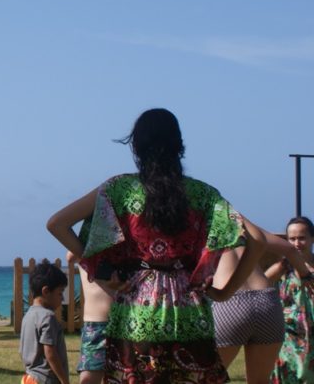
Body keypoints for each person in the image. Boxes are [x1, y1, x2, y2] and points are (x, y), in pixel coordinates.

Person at [47, 107, 265, 384]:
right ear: (178, 145)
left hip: (136, 308)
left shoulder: (119, 189)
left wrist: (99, 268)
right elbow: (257, 240)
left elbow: (57, 224)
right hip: (189, 309)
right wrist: (224, 293)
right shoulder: (203, 194)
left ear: (137, 146)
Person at [211, 219, 298, 383]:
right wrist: (305, 274)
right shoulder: (240, 224)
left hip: (229, 302)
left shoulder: (197, 221)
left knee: (207, 378)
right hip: (266, 301)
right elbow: (289, 248)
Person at [268, 216, 314, 384]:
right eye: (292, 239)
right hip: (288, 335)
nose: (296, 243)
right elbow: (260, 282)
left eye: (301, 238)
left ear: (312, 239)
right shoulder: (284, 267)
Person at [19, 260, 71, 384]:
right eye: (60, 293)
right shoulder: (48, 317)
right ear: (46, 291)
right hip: (46, 379)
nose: (62, 298)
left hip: (29, 378)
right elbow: (50, 353)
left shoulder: (28, 316)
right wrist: (64, 381)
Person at [65, 247, 110, 384]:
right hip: (96, 323)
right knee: (89, 378)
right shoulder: (87, 249)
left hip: (125, 321)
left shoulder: (125, 250)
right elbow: (70, 256)